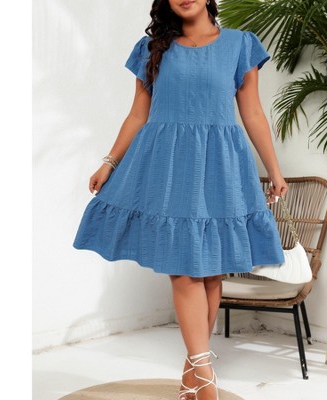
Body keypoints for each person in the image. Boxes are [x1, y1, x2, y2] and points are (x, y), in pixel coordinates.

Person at [73, 1, 288, 399]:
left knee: (211, 271)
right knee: (185, 268)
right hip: (168, 164)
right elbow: (138, 115)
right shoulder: (151, 48)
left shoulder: (241, 44)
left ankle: (193, 375)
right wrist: (109, 162)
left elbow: (253, 113)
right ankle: (206, 380)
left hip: (221, 163)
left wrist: (275, 170)